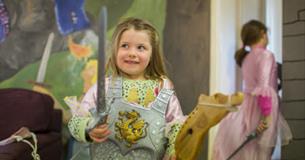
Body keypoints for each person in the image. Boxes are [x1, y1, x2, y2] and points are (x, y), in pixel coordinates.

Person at [68, 17, 185, 160]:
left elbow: (176, 124)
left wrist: (174, 149)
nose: (132, 53)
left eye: (141, 47)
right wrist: (88, 129)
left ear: (152, 53)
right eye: (125, 46)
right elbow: (77, 121)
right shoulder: (103, 87)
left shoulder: (162, 87)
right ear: (115, 50)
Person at [212, 20, 292, 160]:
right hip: (262, 110)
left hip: (248, 108)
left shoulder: (246, 58)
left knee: (250, 151)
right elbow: (264, 88)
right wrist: (267, 116)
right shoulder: (266, 55)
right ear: (262, 33)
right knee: (261, 152)